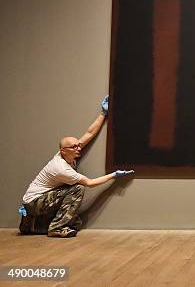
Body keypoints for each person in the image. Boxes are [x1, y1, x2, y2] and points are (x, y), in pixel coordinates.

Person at [19, 95, 135, 238]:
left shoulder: (66, 154)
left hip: (40, 200)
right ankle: (56, 228)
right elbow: (90, 183)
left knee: (75, 223)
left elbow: (89, 133)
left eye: (78, 145)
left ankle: (30, 224)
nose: (78, 148)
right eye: (74, 147)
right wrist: (114, 175)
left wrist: (103, 113)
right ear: (63, 150)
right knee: (78, 188)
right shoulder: (61, 168)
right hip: (33, 202)